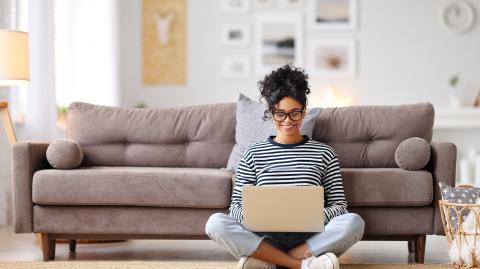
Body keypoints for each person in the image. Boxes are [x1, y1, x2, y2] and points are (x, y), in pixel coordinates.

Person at [205, 64, 365, 269]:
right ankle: (302, 265)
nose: (287, 120)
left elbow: (340, 207)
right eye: (280, 114)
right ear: (272, 113)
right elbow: (235, 208)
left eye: (294, 113)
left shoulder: (324, 153)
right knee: (216, 223)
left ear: (304, 112)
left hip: (311, 237)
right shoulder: (252, 154)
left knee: (354, 223)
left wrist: (310, 217)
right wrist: (257, 218)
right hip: (264, 236)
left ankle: (268, 261)